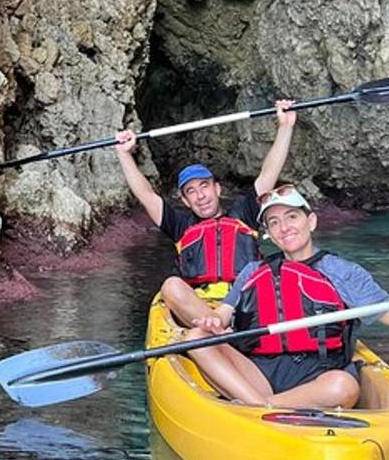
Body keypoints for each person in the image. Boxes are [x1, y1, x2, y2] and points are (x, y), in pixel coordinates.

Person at [184, 185, 389, 409]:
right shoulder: (253, 271)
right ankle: (261, 404)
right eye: (274, 222)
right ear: (268, 234)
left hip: (318, 377)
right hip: (259, 372)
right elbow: (222, 314)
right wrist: (211, 321)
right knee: (195, 338)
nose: (285, 228)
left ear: (311, 221)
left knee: (345, 386)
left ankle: (257, 407)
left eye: (292, 217)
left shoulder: (342, 272)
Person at [114, 100, 297, 327]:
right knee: (171, 286)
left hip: (244, 301)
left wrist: (285, 127)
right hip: (198, 308)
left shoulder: (244, 214)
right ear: (185, 201)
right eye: (191, 191)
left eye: (204, 186)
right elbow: (146, 194)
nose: (200, 195)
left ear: (217, 189)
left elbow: (269, 173)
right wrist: (124, 154)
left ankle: (222, 332)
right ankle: (222, 332)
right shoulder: (180, 225)